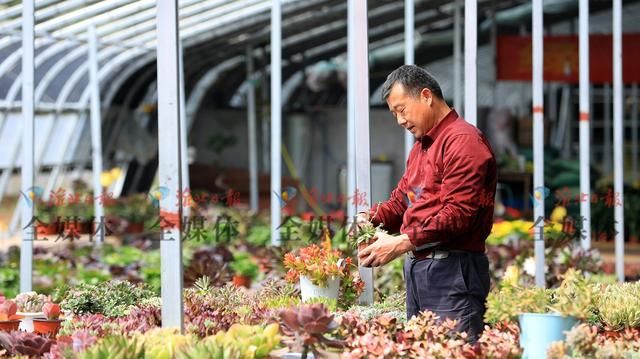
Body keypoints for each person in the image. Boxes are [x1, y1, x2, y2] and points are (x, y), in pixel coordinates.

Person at [357, 64, 497, 341]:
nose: (399, 121)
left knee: (453, 349)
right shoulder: (423, 147)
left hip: (453, 271)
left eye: (401, 109)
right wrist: (367, 218)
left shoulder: (463, 141)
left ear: (426, 96)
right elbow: (401, 202)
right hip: (423, 269)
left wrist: (401, 242)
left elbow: (460, 213)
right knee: (424, 348)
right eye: (394, 113)